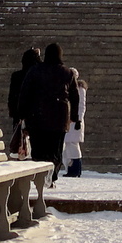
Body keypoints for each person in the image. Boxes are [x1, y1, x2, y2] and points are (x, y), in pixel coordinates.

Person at [17, 41, 78, 177]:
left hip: (37, 118)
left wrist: (22, 113)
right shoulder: (67, 73)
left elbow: (25, 93)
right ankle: (52, 176)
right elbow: (74, 97)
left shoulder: (35, 70)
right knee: (55, 151)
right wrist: (74, 116)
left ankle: (40, 176)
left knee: (38, 150)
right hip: (59, 120)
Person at [6, 46, 40, 156]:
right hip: (37, 114)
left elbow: (12, 97)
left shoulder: (17, 76)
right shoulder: (40, 74)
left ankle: (20, 154)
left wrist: (14, 112)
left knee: (20, 140)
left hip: (20, 112)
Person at [61, 69, 87, 178]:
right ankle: (71, 168)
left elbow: (81, 106)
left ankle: (75, 168)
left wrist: (78, 120)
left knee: (73, 145)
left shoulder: (80, 89)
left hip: (74, 121)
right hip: (68, 120)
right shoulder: (68, 87)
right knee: (68, 146)